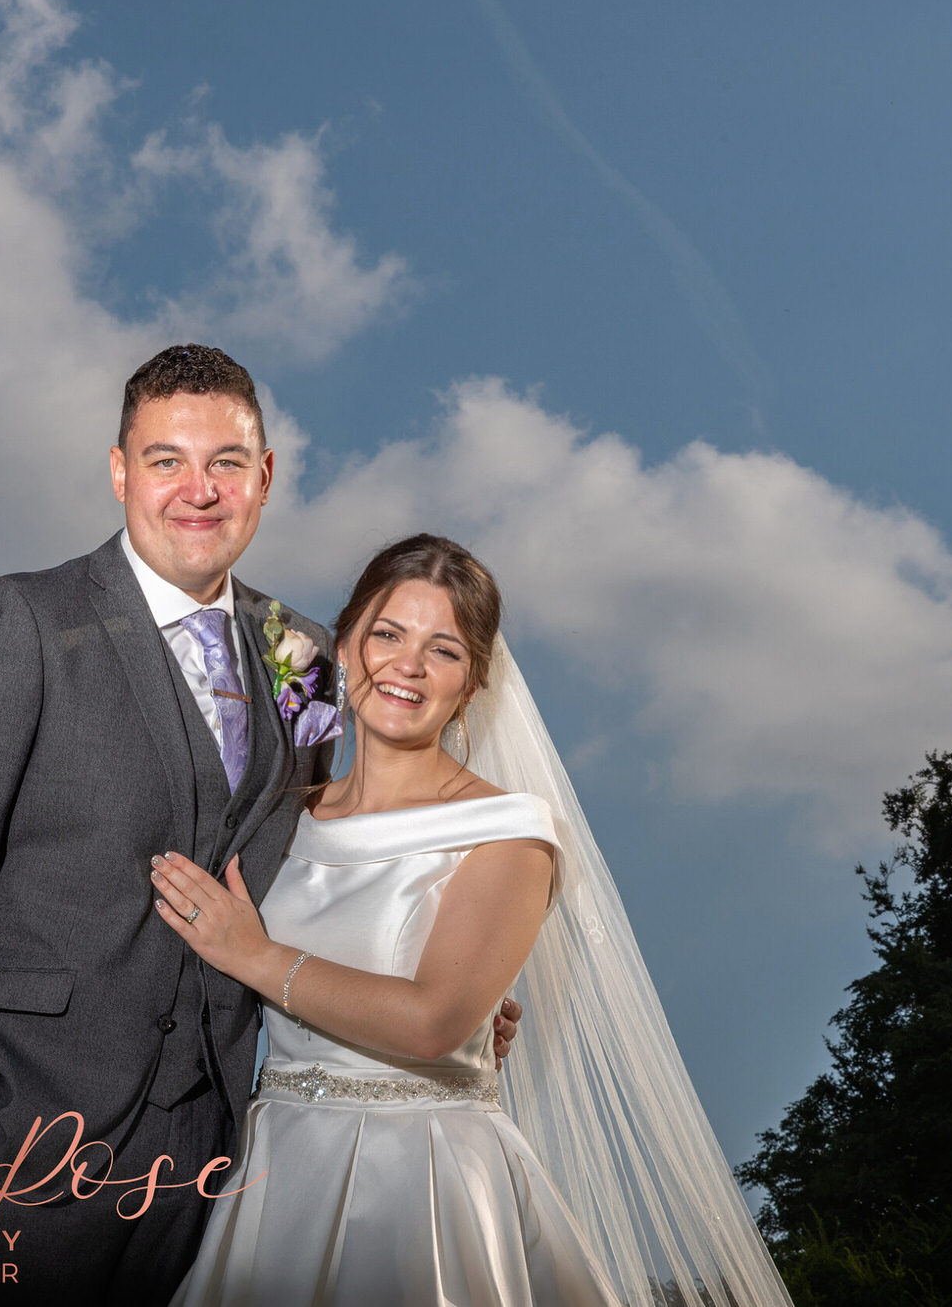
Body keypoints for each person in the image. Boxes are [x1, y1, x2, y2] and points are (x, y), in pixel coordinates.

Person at [0, 345, 521, 1305]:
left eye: (225, 461)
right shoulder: (25, 621)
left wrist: (437, 977)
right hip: (26, 1147)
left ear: (265, 477)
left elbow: (319, 860)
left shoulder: (301, 655)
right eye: (167, 458)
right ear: (120, 470)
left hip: (221, 1167)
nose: (198, 489)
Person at [155, 535, 794, 1307]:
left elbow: (429, 1023)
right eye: (386, 633)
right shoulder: (287, 811)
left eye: (445, 649)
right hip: (272, 1175)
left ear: (474, 683)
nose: (407, 665)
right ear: (345, 642)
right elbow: (229, 614)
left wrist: (252, 955)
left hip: (423, 1187)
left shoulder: (510, 829)